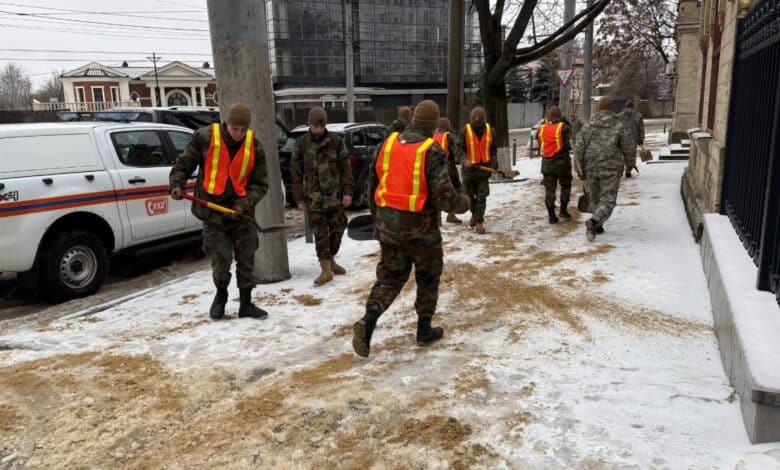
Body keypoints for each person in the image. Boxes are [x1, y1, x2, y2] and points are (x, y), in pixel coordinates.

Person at [351, 100, 470, 358]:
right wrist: (464, 203)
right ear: (432, 125)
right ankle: (424, 329)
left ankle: (368, 320)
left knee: (390, 277)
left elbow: (373, 186)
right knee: (428, 275)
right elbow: (445, 198)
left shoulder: (387, 144)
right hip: (421, 231)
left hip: (388, 227)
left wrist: (378, 221)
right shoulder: (431, 151)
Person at [169, 103, 269, 320]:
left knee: (246, 258)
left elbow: (260, 184)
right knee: (221, 259)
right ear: (226, 124)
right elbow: (184, 163)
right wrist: (177, 183)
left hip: (241, 214)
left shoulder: (255, 147)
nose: (238, 134)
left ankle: (246, 303)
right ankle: (221, 294)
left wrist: (243, 204)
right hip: (212, 213)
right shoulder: (205, 138)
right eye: (235, 129)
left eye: (243, 130)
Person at [291, 106, 353, 285]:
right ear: (309, 124)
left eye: (321, 126)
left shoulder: (336, 142)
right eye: (315, 126)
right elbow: (295, 174)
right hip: (314, 198)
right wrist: (299, 198)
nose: (318, 130)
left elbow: (346, 169)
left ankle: (331, 259)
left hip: (334, 196)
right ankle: (325, 268)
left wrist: (348, 191)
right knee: (319, 232)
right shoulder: (301, 144)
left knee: (339, 227)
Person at [575, 97, 634, 241]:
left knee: (594, 198)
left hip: (591, 167)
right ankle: (595, 221)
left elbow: (579, 150)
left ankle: (597, 225)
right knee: (608, 199)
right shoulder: (620, 126)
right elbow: (628, 148)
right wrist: (630, 164)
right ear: (611, 108)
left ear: (597, 108)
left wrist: (579, 169)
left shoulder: (587, 127)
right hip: (612, 168)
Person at [454, 107, 497, 234]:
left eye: (479, 122)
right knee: (468, 196)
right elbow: (458, 148)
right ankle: (474, 214)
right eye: (474, 121)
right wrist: (464, 160)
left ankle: (479, 222)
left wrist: (494, 164)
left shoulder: (490, 131)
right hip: (469, 171)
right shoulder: (464, 131)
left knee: (481, 197)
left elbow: (493, 150)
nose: (477, 124)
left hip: (483, 171)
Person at [537, 106, 573, 224]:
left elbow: (540, 142)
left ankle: (551, 216)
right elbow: (569, 145)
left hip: (547, 163)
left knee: (549, 189)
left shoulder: (542, 128)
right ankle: (563, 211)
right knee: (565, 186)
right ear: (560, 116)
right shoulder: (564, 127)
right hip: (562, 163)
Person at [433, 117, 463, 225]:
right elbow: (456, 151)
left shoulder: (433, 136)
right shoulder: (449, 136)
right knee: (455, 190)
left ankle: (437, 219)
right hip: (449, 168)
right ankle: (451, 215)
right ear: (448, 126)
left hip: (435, 168)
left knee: (437, 192)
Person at [617, 100, 645, 177]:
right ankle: (628, 171)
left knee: (622, 155)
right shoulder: (638, 116)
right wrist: (641, 140)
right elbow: (641, 129)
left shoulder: (619, 116)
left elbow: (616, 128)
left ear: (625, 106)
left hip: (621, 139)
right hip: (633, 139)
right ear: (633, 106)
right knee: (631, 156)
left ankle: (620, 170)